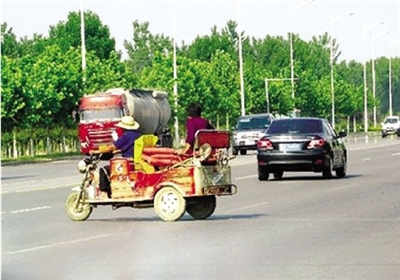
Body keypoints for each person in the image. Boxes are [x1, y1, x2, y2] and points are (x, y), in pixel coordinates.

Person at [90, 116, 141, 197]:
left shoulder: (126, 136)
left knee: (103, 170)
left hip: (127, 162)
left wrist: (96, 151)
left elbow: (112, 147)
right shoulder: (138, 135)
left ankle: (104, 193)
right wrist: (118, 151)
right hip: (135, 160)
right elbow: (130, 147)